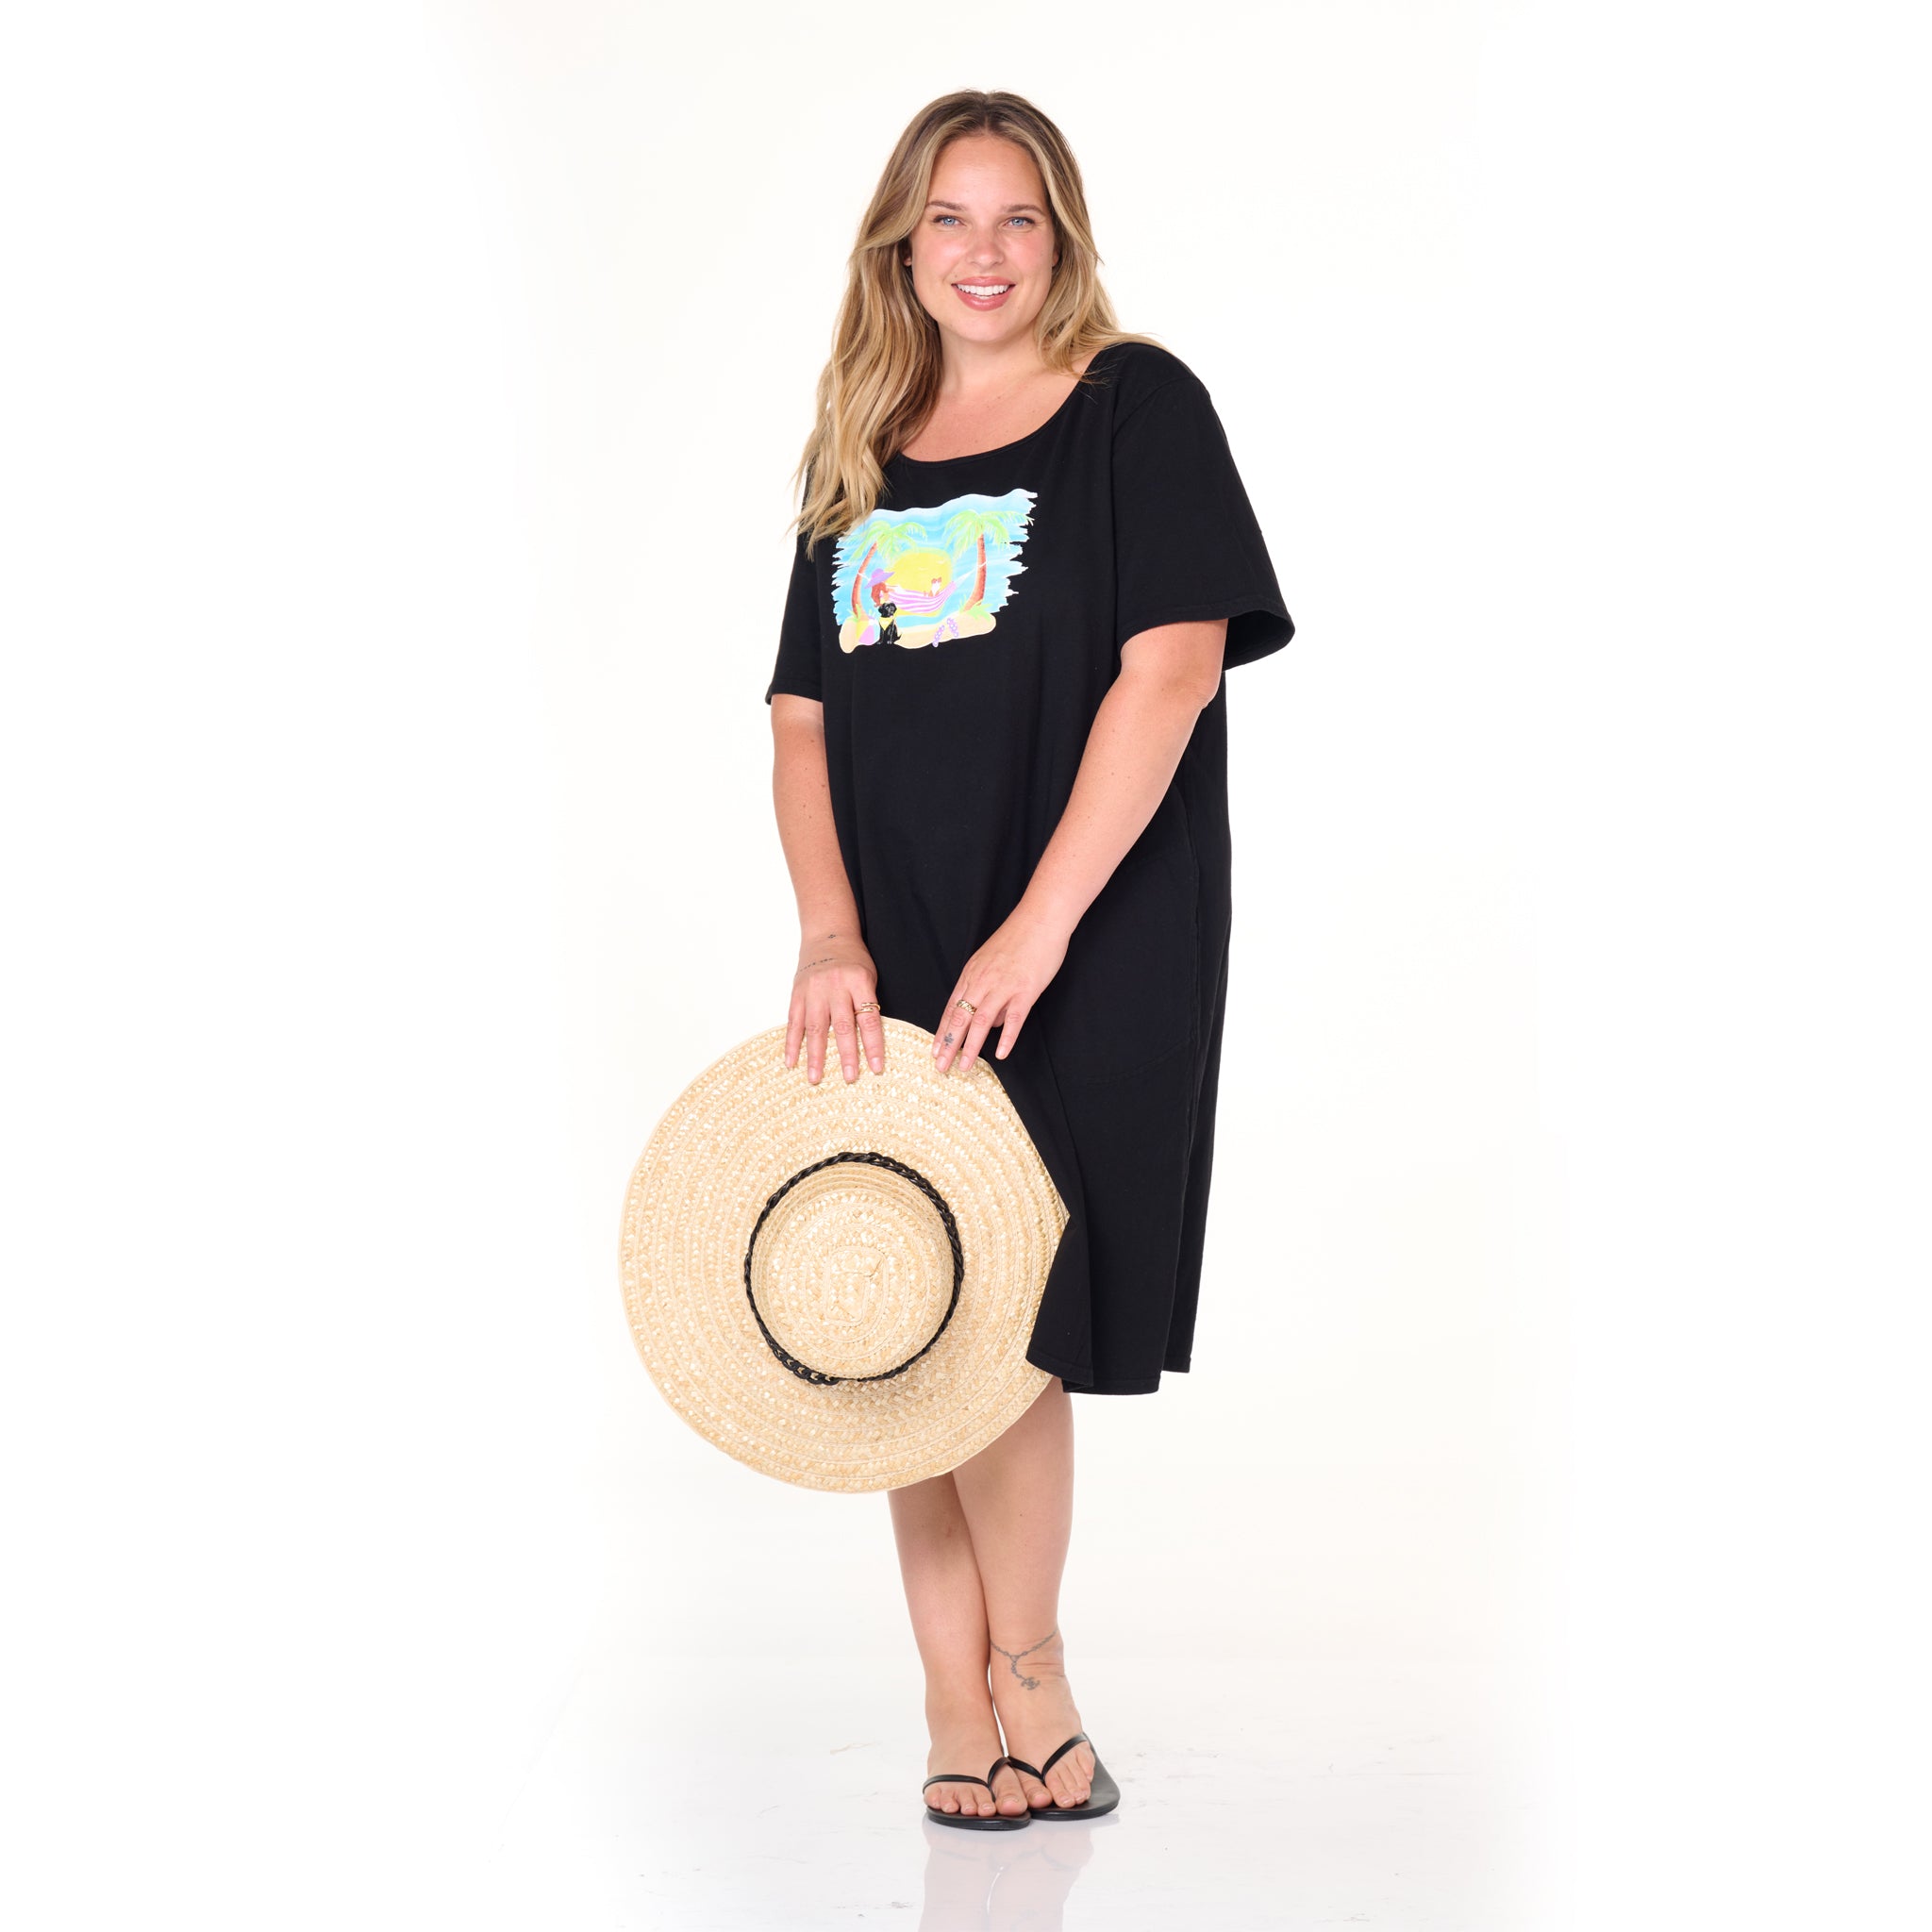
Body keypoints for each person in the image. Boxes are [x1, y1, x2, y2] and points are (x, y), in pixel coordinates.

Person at [764, 90, 1293, 1828]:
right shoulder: (859, 446)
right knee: (905, 1318)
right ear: (900, 247)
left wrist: (1040, 925)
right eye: (948, 219)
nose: (982, 253)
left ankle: (1035, 1675)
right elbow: (800, 722)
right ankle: (952, 1701)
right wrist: (829, 931)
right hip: (899, 943)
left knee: (1011, 1322)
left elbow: (1174, 670)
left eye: (1017, 218)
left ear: (1061, 238)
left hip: (1087, 928)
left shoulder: (1139, 406)